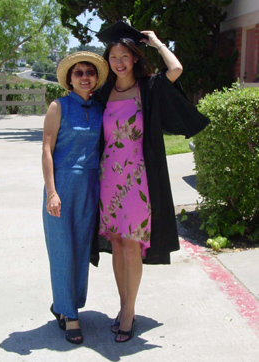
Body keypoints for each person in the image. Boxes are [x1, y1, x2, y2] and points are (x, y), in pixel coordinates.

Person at [90, 21, 210, 342]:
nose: (119, 61)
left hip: (138, 180)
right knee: (116, 244)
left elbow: (177, 68)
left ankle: (129, 313)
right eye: (114, 55)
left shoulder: (149, 88)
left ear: (134, 58)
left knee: (132, 246)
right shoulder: (103, 93)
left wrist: (156, 42)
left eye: (125, 55)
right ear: (109, 59)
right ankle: (123, 305)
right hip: (108, 180)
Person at [42, 51, 108, 344]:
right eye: (78, 72)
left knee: (82, 250)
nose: (84, 76)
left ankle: (66, 304)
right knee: (62, 250)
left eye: (89, 72)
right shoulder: (58, 106)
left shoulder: (99, 109)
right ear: (69, 79)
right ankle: (69, 315)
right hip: (62, 186)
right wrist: (51, 191)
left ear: (95, 79)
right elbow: (46, 149)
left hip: (90, 186)